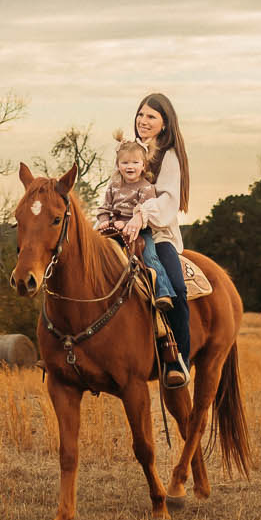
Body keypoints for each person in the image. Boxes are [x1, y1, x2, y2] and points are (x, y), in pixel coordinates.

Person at [132, 92, 192, 389]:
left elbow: (168, 201)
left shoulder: (168, 157)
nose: (144, 121)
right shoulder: (127, 151)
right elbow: (112, 189)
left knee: (177, 288)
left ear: (165, 124)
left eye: (151, 117)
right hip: (123, 231)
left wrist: (141, 215)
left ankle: (179, 358)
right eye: (141, 114)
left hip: (158, 234)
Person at [92, 136, 177, 311]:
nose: (130, 167)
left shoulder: (146, 188)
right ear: (118, 165)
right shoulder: (113, 187)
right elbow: (104, 208)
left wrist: (128, 223)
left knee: (150, 257)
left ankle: (163, 291)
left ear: (143, 166)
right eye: (124, 163)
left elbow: (145, 212)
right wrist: (103, 221)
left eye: (135, 162)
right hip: (113, 231)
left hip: (140, 232)